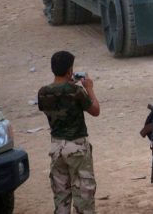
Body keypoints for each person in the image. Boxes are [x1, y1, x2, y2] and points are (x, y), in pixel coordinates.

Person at [37, 51, 99, 214]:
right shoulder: (76, 91)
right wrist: (89, 88)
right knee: (83, 198)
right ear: (70, 70)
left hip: (56, 148)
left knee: (61, 199)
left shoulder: (43, 92)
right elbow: (95, 110)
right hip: (77, 147)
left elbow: (54, 101)